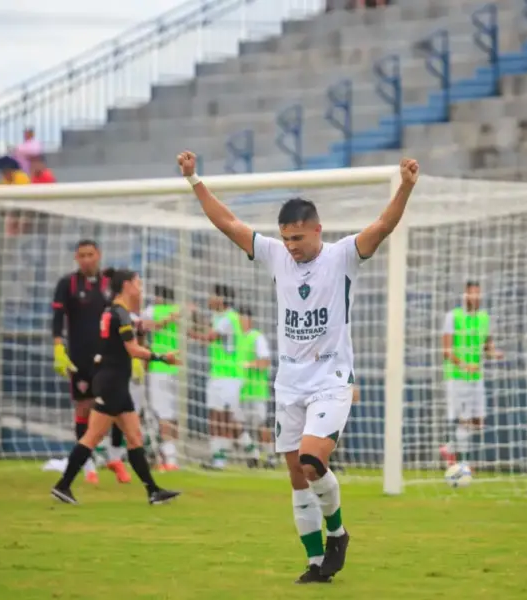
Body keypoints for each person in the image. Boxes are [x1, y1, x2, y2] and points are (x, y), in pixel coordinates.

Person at [178, 149, 419, 584]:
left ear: (317, 230)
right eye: (286, 239)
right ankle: (315, 564)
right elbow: (228, 223)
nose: (291, 246)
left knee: (311, 459)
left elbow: (383, 225)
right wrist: (195, 180)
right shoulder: (275, 255)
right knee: (296, 476)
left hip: (330, 380)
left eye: (298, 238)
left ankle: (338, 533)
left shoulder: (343, 255)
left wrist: (404, 186)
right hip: (289, 383)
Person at [51, 269, 181, 505]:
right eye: (138, 283)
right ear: (127, 286)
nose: (140, 287)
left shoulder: (113, 311)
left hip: (115, 381)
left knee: (134, 436)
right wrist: (162, 357)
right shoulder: (120, 314)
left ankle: (153, 491)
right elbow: (132, 349)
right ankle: (63, 485)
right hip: (111, 383)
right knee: (93, 436)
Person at [52, 240, 130, 484]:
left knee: (117, 406)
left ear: (99, 255)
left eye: (90, 254)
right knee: (84, 407)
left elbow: (123, 315)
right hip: (80, 356)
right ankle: (88, 464)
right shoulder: (67, 283)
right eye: (82, 255)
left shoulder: (111, 282)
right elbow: (57, 317)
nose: (86, 259)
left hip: (110, 355)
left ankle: (115, 458)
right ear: (76, 258)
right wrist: (58, 347)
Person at [439, 281, 504, 467]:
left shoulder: (484, 318)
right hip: (457, 376)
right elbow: (446, 351)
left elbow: (487, 346)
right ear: (465, 295)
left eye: (478, 293)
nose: (475, 297)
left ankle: (449, 449)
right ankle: (464, 464)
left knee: (478, 421)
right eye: (471, 293)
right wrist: (465, 366)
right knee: (465, 418)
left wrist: (494, 353)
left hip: (476, 377)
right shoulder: (453, 317)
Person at [189, 284, 241, 470]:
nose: (209, 298)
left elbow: (210, 336)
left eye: (212, 295)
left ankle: (223, 457)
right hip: (217, 373)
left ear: (221, 298)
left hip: (230, 375)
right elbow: (205, 327)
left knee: (223, 417)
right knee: (214, 416)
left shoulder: (229, 318)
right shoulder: (217, 317)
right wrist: (194, 315)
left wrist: (189, 334)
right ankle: (219, 456)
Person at [141, 285, 183, 471]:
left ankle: (167, 458)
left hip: (160, 366)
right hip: (176, 367)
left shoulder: (152, 310)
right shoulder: (177, 311)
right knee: (172, 414)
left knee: (164, 413)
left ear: (159, 297)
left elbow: (143, 326)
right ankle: (171, 457)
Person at [234, 307, 276, 469]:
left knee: (260, 426)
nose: (240, 322)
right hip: (240, 391)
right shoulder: (237, 338)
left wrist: (248, 365)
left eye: (243, 319)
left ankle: (270, 457)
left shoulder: (257, 338)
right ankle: (253, 454)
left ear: (249, 320)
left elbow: (265, 362)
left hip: (256, 391)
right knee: (235, 425)